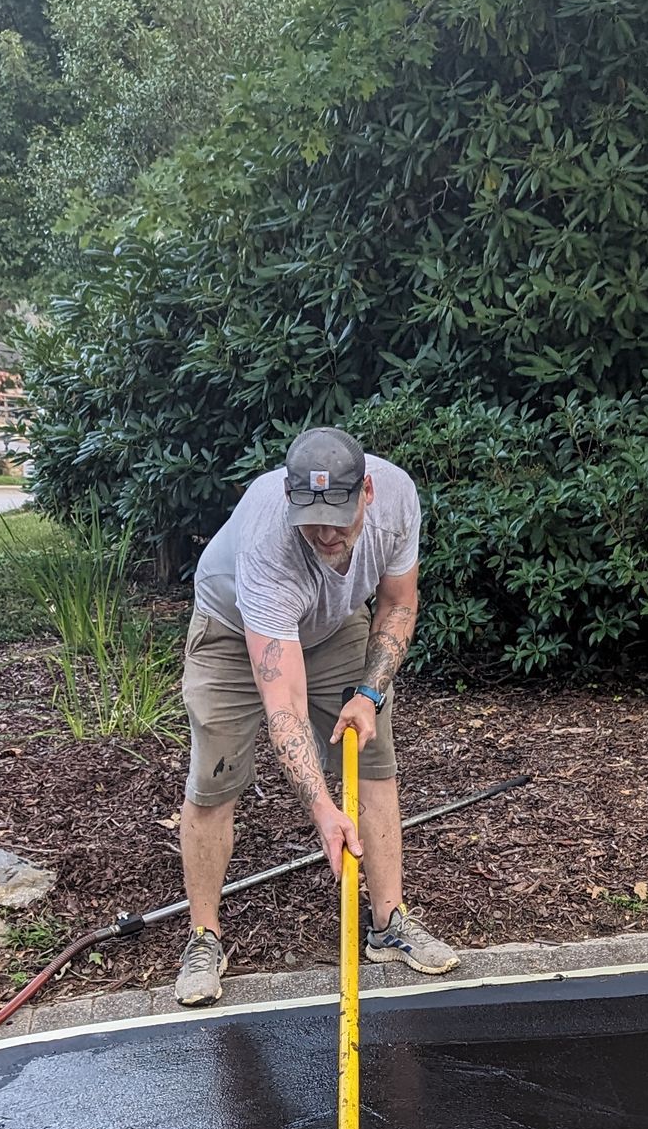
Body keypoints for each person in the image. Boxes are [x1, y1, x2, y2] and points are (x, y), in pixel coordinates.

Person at [172, 424, 462, 1007]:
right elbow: (285, 706)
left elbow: (400, 602)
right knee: (214, 779)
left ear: (368, 494)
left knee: (374, 760)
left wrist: (369, 694)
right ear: (289, 497)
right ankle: (203, 936)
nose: (327, 534)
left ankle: (389, 923)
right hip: (235, 631)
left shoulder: (399, 498)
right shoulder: (268, 543)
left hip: (333, 625)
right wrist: (324, 812)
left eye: (340, 515)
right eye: (313, 518)